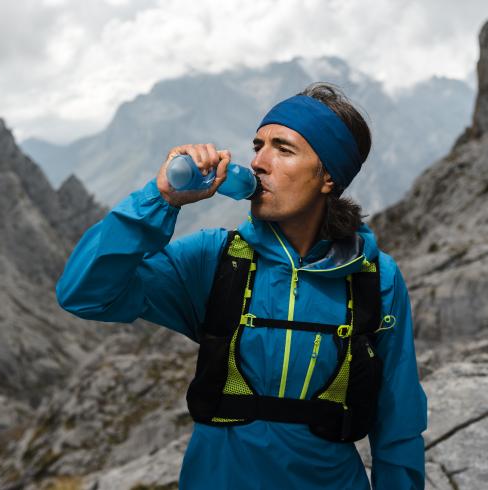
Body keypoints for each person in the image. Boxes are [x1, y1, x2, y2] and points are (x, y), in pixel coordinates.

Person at [56, 82, 427, 489]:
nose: (258, 163)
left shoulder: (374, 277)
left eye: (283, 149)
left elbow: (399, 424)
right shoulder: (216, 260)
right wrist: (159, 199)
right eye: (258, 146)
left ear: (328, 177)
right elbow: (85, 294)